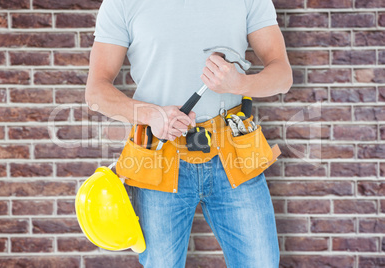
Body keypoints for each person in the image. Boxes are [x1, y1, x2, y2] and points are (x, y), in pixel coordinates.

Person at [86, 0, 292, 267]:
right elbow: (96, 92)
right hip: (157, 156)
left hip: (235, 153)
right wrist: (151, 115)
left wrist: (241, 83)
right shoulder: (122, 3)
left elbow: (283, 75)